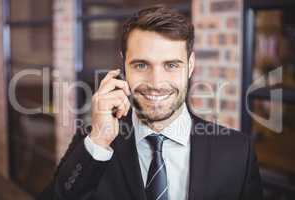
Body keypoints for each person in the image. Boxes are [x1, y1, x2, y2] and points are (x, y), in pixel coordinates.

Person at [39, 5, 263, 200]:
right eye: (141, 65)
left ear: (190, 65)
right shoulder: (93, 143)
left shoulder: (238, 152)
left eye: (171, 65)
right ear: (124, 64)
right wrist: (98, 141)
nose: (156, 83)